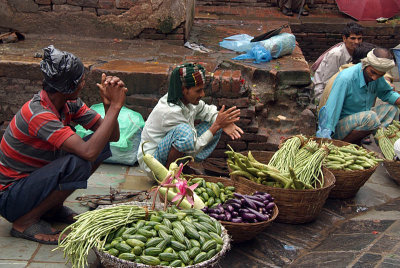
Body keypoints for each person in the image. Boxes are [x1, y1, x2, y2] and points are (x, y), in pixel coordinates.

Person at [0, 45, 127, 244]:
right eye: (81, 80)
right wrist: (117, 106)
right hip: (10, 197)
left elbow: (112, 137)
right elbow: (88, 151)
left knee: (100, 145)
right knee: (80, 160)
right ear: (68, 86)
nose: (84, 83)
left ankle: (52, 209)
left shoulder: (68, 103)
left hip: (32, 184)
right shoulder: (39, 114)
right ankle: (24, 222)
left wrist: (109, 105)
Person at [137, 63, 243, 178]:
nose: (202, 94)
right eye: (198, 91)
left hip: (175, 146)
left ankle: (181, 166)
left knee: (214, 122)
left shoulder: (188, 101)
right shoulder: (170, 111)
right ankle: (167, 177)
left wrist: (225, 123)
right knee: (186, 132)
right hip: (153, 163)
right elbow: (192, 146)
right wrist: (217, 125)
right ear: (184, 90)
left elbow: (208, 111)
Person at [316, 48, 400, 144]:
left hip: (362, 119)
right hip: (340, 127)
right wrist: (325, 136)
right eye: (373, 73)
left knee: (393, 110)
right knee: (370, 117)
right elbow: (332, 110)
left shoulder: (377, 75)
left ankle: (384, 143)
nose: (375, 78)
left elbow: (386, 93)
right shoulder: (346, 79)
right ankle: (341, 145)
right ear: (366, 64)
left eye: (380, 75)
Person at [313, 22, 364, 100]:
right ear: (344, 38)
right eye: (353, 38)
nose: (356, 42)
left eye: (359, 38)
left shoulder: (359, 52)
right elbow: (328, 81)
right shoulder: (336, 54)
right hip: (323, 92)